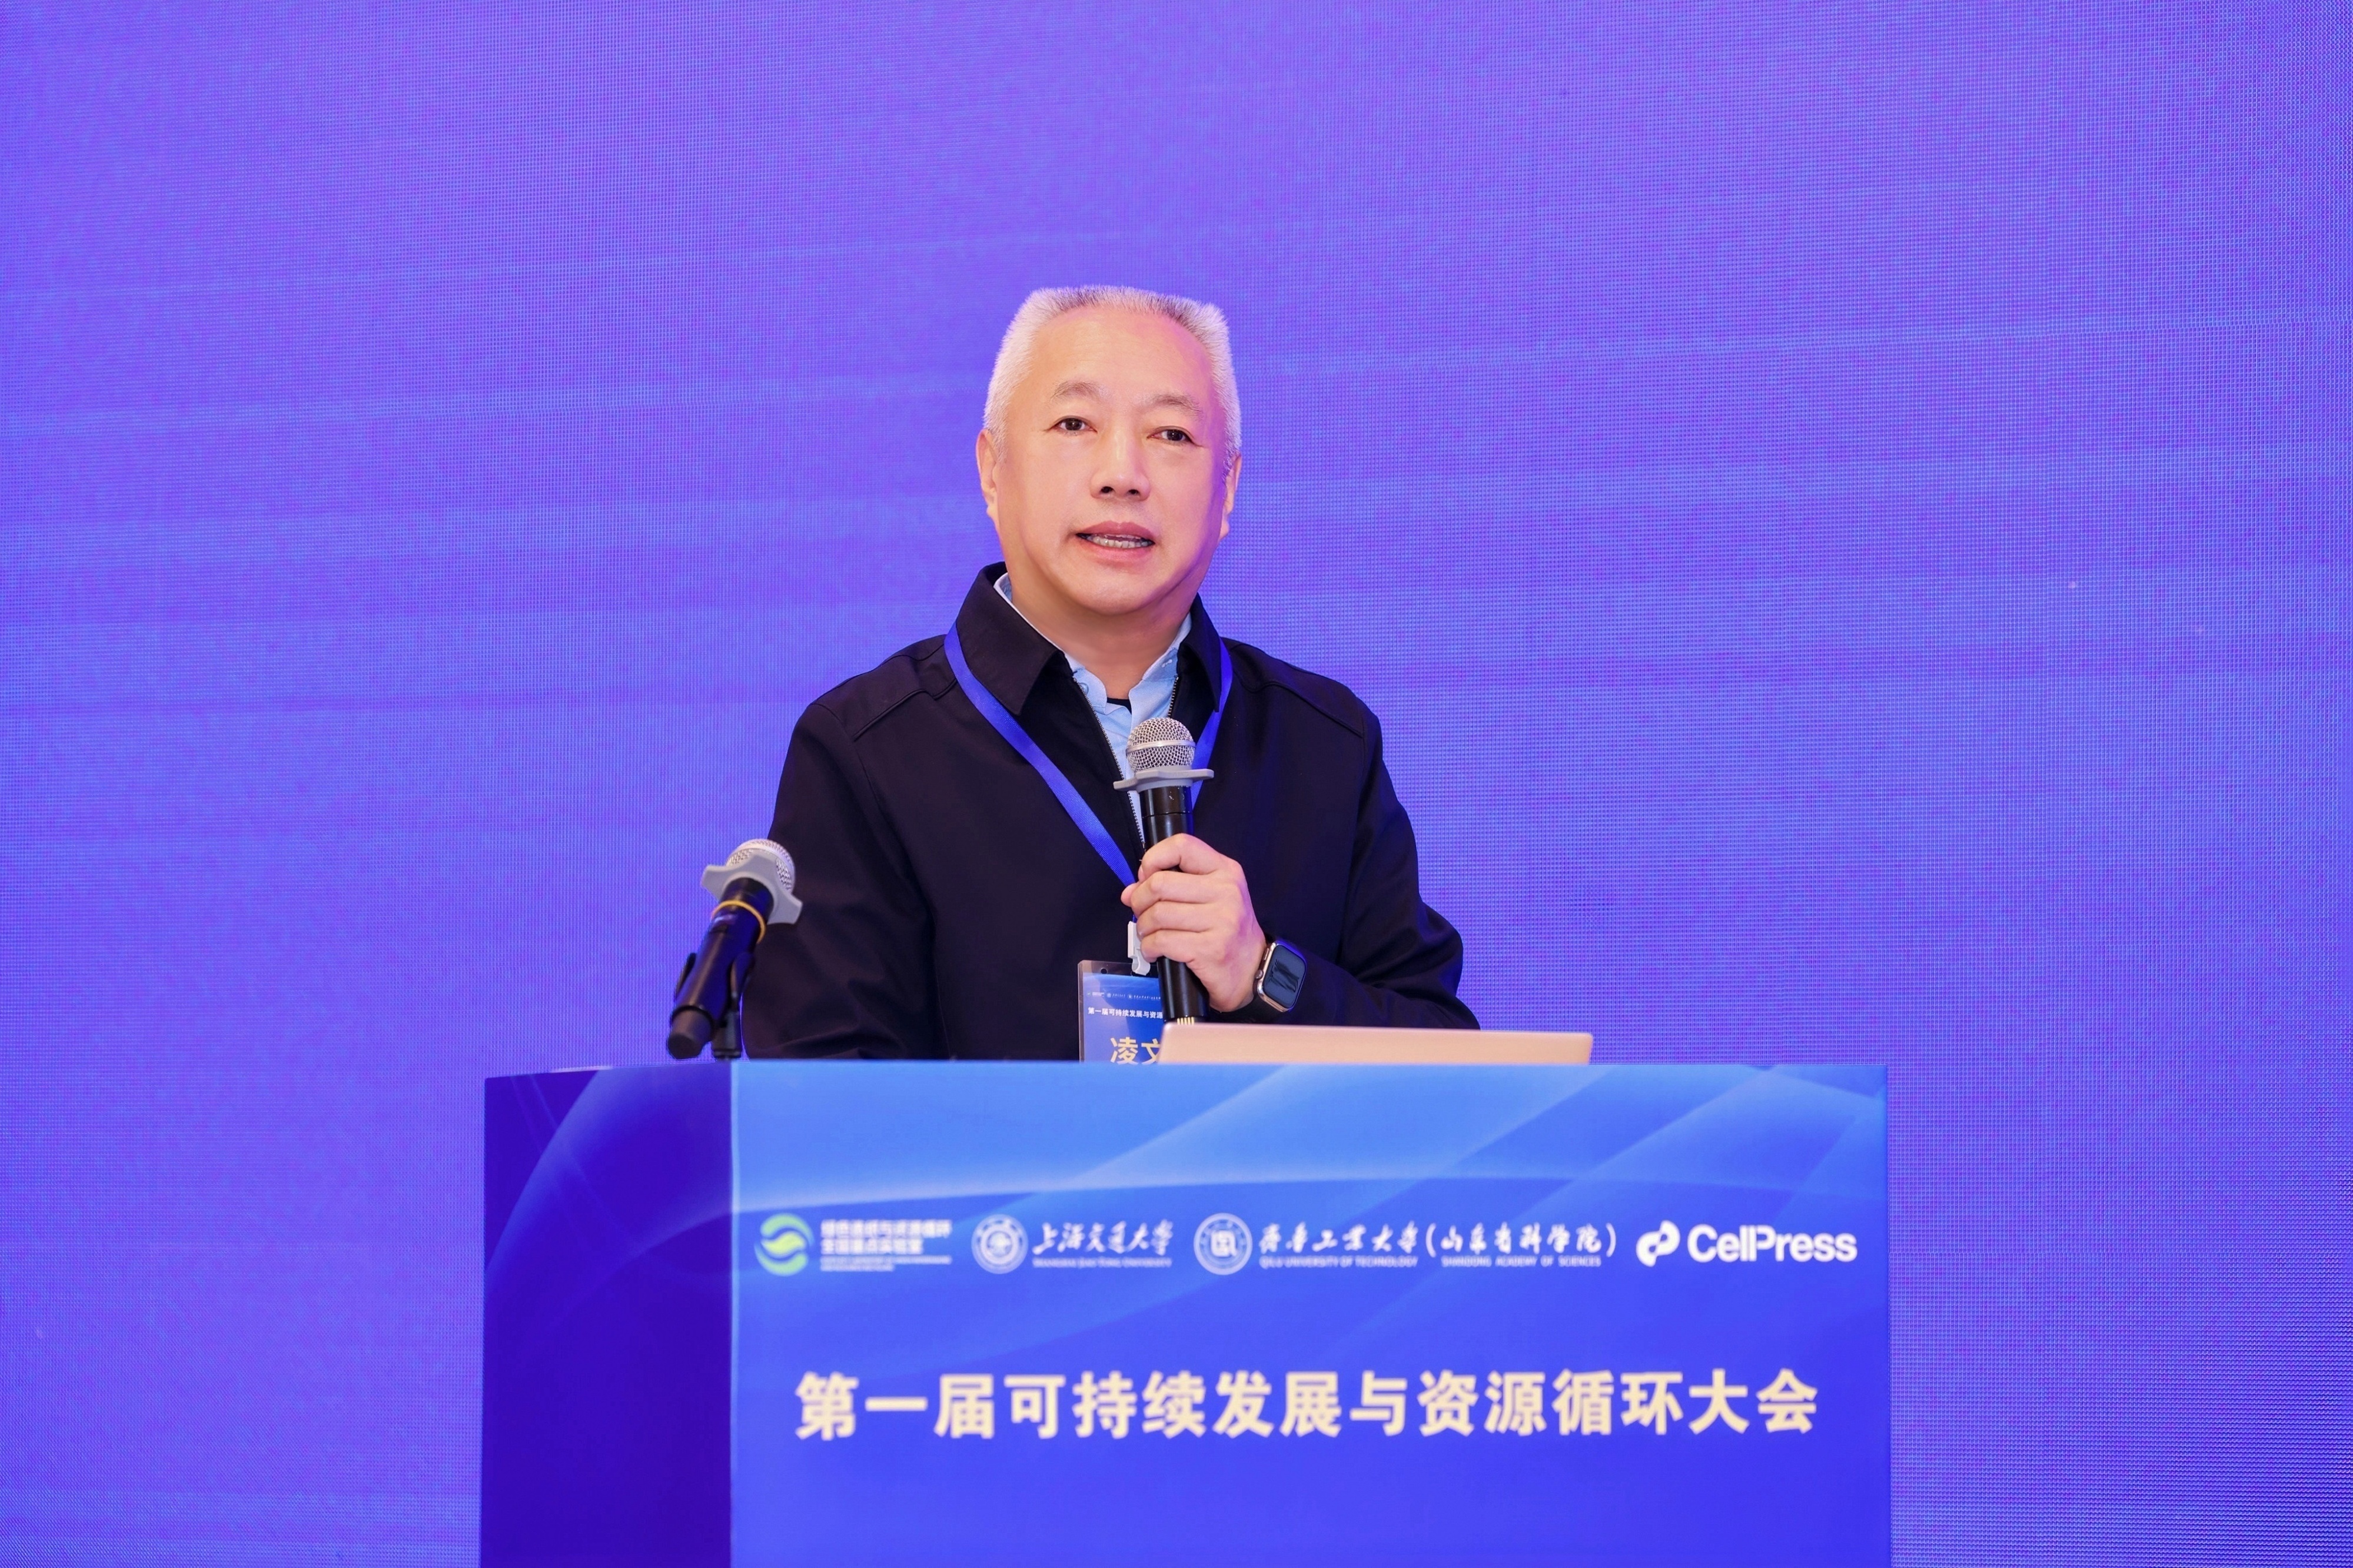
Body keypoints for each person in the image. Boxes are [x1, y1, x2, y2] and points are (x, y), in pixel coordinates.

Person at [742, 285, 1474, 1058]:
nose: (1122, 474)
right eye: (1074, 424)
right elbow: (820, 1088)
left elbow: (1445, 1061)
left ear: (1227, 488)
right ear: (992, 469)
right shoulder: (868, 751)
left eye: (1171, 434)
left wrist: (1265, 974)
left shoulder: (1325, 744)